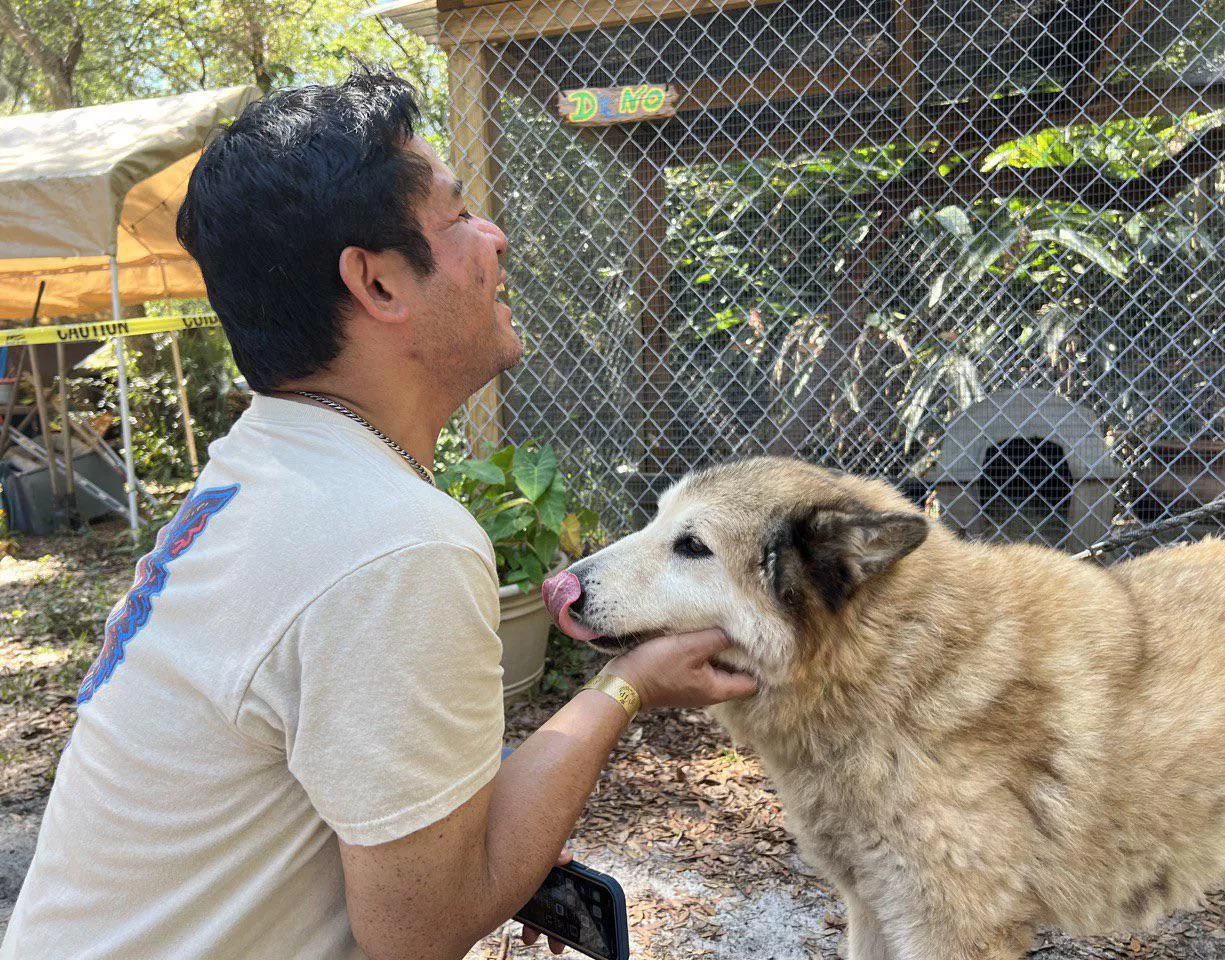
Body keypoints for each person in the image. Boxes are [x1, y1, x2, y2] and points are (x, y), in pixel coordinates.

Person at [0, 68, 756, 960]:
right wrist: (628, 685)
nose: (496, 236)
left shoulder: (264, 466)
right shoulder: (392, 542)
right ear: (379, 283)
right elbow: (420, 929)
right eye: (458, 215)